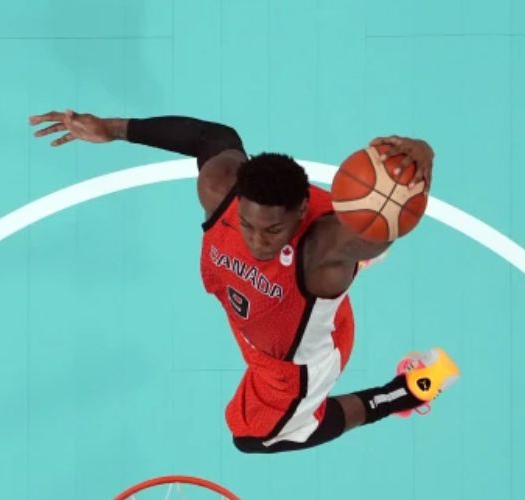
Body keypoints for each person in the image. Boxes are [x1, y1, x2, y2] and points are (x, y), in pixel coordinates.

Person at [29, 110, 459, 454]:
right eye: (248, 225)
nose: (256, 241)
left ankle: (404, 393)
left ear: (300, 211)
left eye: (272, 231)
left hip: (293, 363)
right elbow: (211, 136)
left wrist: (419, 162)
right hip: (259, 321)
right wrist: (112, 128)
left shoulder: (322, 250)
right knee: (321, 253)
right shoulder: (220, 190)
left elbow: (386, 225)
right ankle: (347, 270)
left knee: (256, 438)